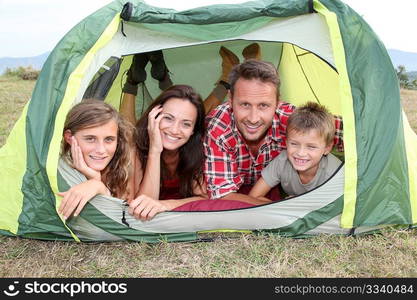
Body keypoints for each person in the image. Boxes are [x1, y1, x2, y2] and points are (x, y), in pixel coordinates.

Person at [204, 59, 344, 204]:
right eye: (245, 104)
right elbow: (223, 196)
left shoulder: (293, 121)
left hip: (264, 185)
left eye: (263, 105)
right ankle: (228, 76)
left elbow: (360, 134)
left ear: (278, 103)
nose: (253, 118)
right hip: (248, 185)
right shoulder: (218, 129)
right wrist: (287, 208)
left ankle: (252, 60)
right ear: (230, 99)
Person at [249, 102, 342, 201]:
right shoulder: (282, 161)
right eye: (294, 144)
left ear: (327, 148)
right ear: (286, 142)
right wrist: (285, 206)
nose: (300, 153)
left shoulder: (335, 173)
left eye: (311, 147)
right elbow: (253, 196)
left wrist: (298, 204)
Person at [58, 99, 135, 219]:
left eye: (109, 139)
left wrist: (96, 182)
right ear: (69, 137)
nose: (101, 150)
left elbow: (119, 220)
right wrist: (96, 183)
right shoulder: (61, 170)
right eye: (90, 139)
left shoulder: (119, 164)